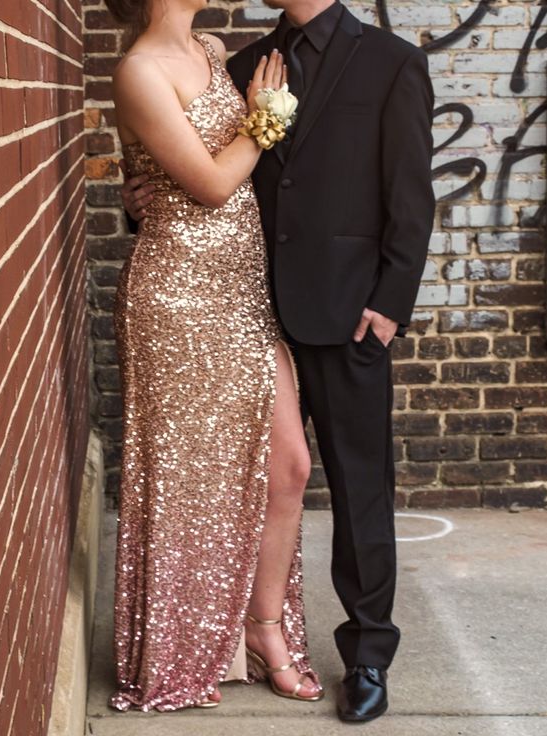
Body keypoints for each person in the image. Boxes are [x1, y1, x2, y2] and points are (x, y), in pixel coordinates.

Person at [122, 0, 435, 723]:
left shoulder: (391, 63)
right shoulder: (235, 63)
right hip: (238, 308)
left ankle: (367, 654)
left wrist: (389, 302)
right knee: (262, 474)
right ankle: (236, 634)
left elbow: (411, 195)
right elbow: (200, 172)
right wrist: (139, 204)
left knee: (360, 488)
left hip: (346, 311)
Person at [105, 0, 325, 714]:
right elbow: (209, 183)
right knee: (187, 484)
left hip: (242, 294)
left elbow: (168, 176)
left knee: (287, 464)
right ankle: (184, 646)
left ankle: (262, 629)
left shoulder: (211, 45)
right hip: (178, 300)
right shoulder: (139, 70)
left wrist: (136, 191)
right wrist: (268, 116)